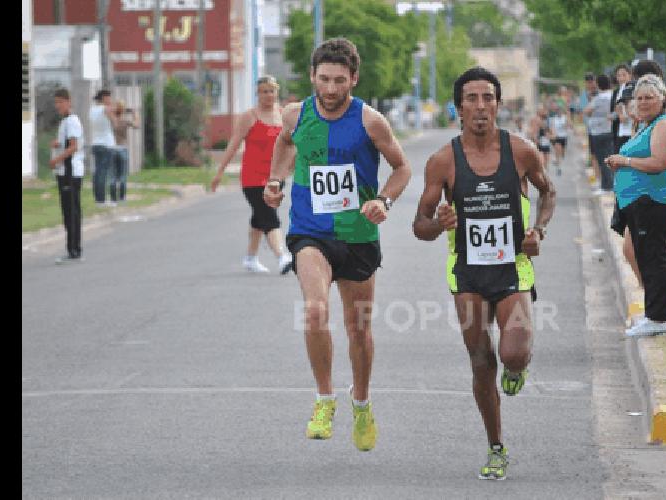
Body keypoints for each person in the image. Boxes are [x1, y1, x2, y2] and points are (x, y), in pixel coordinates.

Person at [262, 37, 413, 451]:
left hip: (358, 234)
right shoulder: (295, 115)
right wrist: (276, 180)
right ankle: (324, 400)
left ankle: (360, 402)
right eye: (323, 79)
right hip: (310, 230)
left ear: (353, 79)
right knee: (314, 311)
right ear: (312, 76)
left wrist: (384, 200)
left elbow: (402, 168)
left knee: (358, 328)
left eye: (339, 81)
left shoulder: (371, 121)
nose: (330, 89)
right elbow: (285, 145)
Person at [413, 67, 556, 481]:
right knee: (480, 362)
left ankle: (517, 368)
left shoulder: (522, 151)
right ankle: (496, 446)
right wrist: (439, 223)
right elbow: (419, 228)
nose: (480, 106)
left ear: (497, 103)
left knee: (512, 354)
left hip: (513, 267)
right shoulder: (443, 161)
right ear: (458, 108)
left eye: (488, 98)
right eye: (471, 98)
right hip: (468, 275)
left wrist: (538, 230)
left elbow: (548, 191)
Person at [605, 74, 666, 337]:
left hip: (653, 201)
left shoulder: (663, 125)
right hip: (639, 203)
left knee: (654, 258)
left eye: (649, 97)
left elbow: (660, 162)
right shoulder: (646, 126)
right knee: (646, 258)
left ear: (662, 99)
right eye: (639, 98)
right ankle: (654, 314)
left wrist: (625, 162)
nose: (643, 102)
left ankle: (659, 318)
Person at [210, 76, 295, 275]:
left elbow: (291, 146)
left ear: (277, 92)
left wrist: (288, 169)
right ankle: (282, 256)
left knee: (260, 217)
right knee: (269, 217)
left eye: (271, 91)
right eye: (264, 91)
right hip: (253, 178)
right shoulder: (249, 117)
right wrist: (219, 172)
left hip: (275, 177)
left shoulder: (283, 116)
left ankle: (250, 258)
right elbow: (233, 144)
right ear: (257, 94)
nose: (268, 95)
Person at [49, 88, 85, 264]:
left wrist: (56, 159)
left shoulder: (72, 121)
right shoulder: (65, 122)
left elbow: (73, 146)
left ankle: (74, 249)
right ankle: (72, 247)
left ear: (68, 102)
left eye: (60, 102)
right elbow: (66, 144)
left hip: (71, 172)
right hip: (65, 172)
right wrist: (58, 144)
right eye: (56, 103)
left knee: (71, 211)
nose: (58, 106)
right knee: (68, 210)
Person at [586, 75, 616, 193]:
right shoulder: (613, 95)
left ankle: (606, 186)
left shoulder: (599, 98)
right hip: (610, 130)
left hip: (599, 132)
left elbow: (587, 111)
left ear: (598, 84)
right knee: (609, 157)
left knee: (602, 160)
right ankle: (610, 184)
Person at [90, 89, 119, 207]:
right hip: (106, 144)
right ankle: (102, 200)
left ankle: (98, 198)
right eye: (108, 97)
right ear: (103, 98)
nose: (110, 100)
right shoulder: (105, 109)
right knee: (104, 173)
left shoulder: (92, 110)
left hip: (96, 143)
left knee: (97, 172)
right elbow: (115, 122)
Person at [110, 100, 139, 205]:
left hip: (112, 148)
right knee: (122, 175)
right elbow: (137, 125)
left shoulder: (112, 121)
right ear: (122, 110)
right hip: (122, 148)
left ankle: (113, 199)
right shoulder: (124, 121)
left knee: (113, 175)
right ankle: (122, 198)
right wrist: (135, 113)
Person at [610, 64, 634, 153]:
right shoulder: (616, 92)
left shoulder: (634, 88)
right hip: (619, 129)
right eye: (619, 75)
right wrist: (615, 115)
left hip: (632, 128)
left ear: (630, 75)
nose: (621, 78)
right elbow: (614, 108)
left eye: (624, 75)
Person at [547, 99, 572, 174]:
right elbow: (552, 128)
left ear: (562, 111)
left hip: (564, 137)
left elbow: (569, 126)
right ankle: (559, 168)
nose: (559, 112)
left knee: (562, 154)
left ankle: (558, 161)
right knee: (558, 150)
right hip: (557, 137)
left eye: (560, 111)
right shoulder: (554, 119)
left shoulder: (565, 117)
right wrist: (553, 134)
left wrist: (568, 119)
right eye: (558, 111)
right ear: (556, 112)